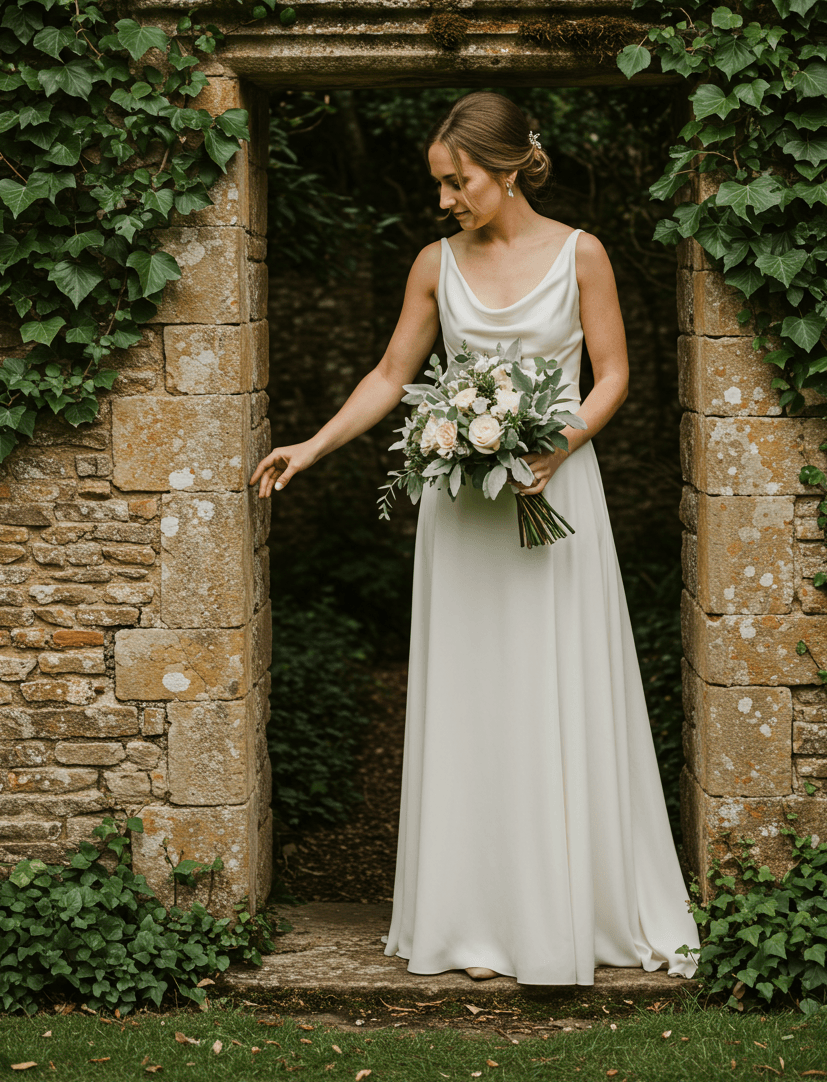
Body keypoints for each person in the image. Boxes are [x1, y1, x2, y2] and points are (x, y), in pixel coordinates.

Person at [250, 91, 699, 985]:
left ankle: (571, 909)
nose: (444, 199)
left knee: (552, 686)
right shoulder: (433, 264)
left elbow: (609, 379)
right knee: (474, 696)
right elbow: (390, 375)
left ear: (504, 170)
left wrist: (555, 446)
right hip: (461, 517)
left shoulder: (584, 254)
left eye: (456, 183)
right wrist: (314, 445)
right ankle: (473, 915)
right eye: (440, 185)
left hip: (556, 505)